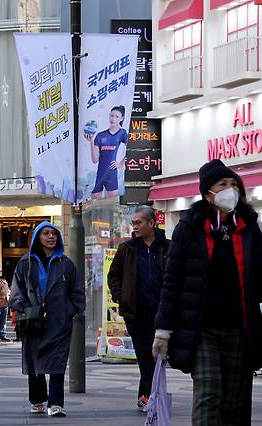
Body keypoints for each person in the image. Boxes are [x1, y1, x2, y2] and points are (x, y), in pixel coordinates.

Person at [153, 159, 262, 425]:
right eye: (222, 184)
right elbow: (172, 281)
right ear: (207, 194)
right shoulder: (189, 228)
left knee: (235, 402)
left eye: (233, 183)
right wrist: (163, 330)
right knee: (209, 395)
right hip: (202, 329)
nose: (230, 189)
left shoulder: (248, 227)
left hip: (240, 327)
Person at [10, 221, 85, 417]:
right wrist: (27, 309)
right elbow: (17, 292)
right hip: (32, 321)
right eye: (45, 233)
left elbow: (77, 292)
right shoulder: (26, 263)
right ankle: (37, 399)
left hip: (59, 321)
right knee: (35, 361)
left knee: (57, 362)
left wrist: (71, 310)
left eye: (54, 233)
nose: (51, 236)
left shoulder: (66, 264)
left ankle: (56, 403)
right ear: (37, 238)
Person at [107, 205, 170, 412]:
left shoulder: (167, 247)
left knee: (158, 355)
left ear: (152, 223)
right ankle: (149, 396)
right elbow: (113, 275)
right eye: (133, 223)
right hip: (136, 312)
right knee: (144, 354)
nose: (134, 226)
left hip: (162, 311)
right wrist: (120, 296)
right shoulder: (127, 249)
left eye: (138, 222)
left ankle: (149, 395)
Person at [84, 105, 128, 199]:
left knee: (114, 204)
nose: (113, 119)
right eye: (111, 116)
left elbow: (130, 149)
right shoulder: (100, 135)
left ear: (121, 118)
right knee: (94, 202)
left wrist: (120, 164)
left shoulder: (122, 133)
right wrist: (91, 142)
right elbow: (95, 160)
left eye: (116, 117)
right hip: (99, 174)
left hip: (112, 174)